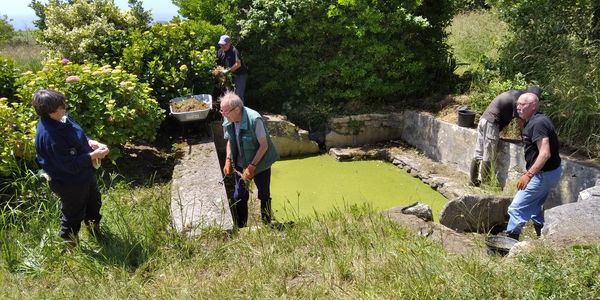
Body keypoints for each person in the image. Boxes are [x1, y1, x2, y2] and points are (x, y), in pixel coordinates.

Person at [33, 89, 110, 244]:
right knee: (73, 213)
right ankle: (70, 245)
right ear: (50, 111)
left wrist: (91, 143)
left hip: (84, 174)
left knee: (94, 202)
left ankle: (94, 231)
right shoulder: (50, 136)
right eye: (61, 106)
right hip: (68, 181)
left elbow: (78, 136)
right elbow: (69, 165)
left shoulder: (62, 118)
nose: (65, 108)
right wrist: (93, 156)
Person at [505, 92, 561, 240]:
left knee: (516, 208)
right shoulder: (535, 120)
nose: (518, 108)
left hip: (543, 175)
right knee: (535, 207)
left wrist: (529, 174)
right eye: (517, 104)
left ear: (533, 106)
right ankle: (543, 237)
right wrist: (530, 169)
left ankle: (508, 245)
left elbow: (545, 153)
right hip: (549, 172)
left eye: (522, 104)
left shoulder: (538, 123)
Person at [220, 91, 279, 228]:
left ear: (237, 109)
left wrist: (252, 166)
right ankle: (242, 226)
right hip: (241, 163)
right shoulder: (228, 119)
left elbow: (264, 146)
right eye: (222, 111)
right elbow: (230, 140)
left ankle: (267, 223)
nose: (223, 114)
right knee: (239, 196)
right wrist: (228, 159)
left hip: (260, 164)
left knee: (264, 194)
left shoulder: (254, 119)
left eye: (225, 111)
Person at [470, 86, 541, 186]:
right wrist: (525, 138)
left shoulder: (516, 94)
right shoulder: (520, 100)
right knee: (488, 155)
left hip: (484, 120)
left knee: (479, 152)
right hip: (492, 122)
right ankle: (485, 184)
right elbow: (521, 121)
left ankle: (473, 181)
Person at [217, 34, 249, 102]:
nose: (223, 46)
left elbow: (238, 64)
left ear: (229, 43)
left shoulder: (234, 51)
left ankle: (240, 111)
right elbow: (219, 65)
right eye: (221, 44)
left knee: (238, 95)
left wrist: (228, 71)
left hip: (240, 75)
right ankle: (231, 111)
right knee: (228, 95)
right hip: (230, 75)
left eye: (225, 44)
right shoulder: (220, 51)